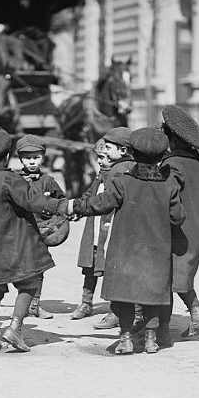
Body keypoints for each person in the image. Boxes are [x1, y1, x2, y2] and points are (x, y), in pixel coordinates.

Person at [70, 127, 186, 354]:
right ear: (162, 157)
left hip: (124, 249)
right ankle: (151, 340)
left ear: (132, 153)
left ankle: (125, 339)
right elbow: (178, 217)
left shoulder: (123, 182)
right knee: (151, 294)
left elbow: (99, 204)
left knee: (124, 295)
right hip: (156, 250)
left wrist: (73, 206)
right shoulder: (169, 185)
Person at [0, 126, 69, 352]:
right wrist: (62, 206)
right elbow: (33, 201)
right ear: (8, 156)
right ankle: (15, 327)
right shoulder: (10, 179)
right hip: (15, 244)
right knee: (29, 283)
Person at [160, 105, 199, 343]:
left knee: (165, 275)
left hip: (175, 226)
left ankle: (163, 329)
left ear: (172, 138)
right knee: (181, 273)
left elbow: (166, 197)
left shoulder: (172, 165)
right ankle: (196, 316)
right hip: (195, 227)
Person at [88, 127, 137, 330]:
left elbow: (107, 201)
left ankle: (116, 312)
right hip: (131, 228)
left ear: (123, 150)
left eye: (108, 148)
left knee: (114, 270)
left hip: (116, 226)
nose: (105, 152)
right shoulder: (131, 166)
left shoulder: (117, 170)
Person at [15, 134, 67, 320]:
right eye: (27, 157)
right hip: (20, 231)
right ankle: (22, 303)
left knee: (39, 268)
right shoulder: (14, 179)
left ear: (43, 157)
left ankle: (35, 305)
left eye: (36, 157)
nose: (31, 162)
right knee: (21, 269)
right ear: (20, 158)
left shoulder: (48, 180)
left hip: (42, 231)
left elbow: (61, 201)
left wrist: (58, 218)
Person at [70, 138, 113, 320]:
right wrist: (77, 209)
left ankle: (115, 307)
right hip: (94, 231)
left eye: (104, 157)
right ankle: (86, 302)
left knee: (111, 270)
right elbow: (88, 196)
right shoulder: (99, 177)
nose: (100, 161)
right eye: (98, 157)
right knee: (90, 268)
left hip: (109, 233)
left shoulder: (118, 179)